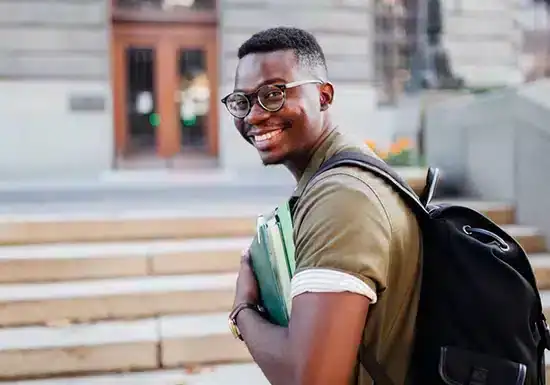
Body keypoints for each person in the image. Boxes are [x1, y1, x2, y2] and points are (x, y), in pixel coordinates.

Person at [221, 26, 422, 385]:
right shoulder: (338, 177)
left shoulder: (342, 198)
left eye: (274, 94)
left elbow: (312, 380)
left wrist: (243, 311)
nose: (253, 115)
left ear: (324, 96)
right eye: (243, 101)